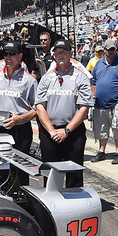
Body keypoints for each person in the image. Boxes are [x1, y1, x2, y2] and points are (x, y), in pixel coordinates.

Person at [35, 39, 94, 187]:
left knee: (74, 176)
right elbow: (40, 107)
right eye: (57, 52)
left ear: (71, 54)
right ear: (53, 55)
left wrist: (66, 130)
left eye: (64, 52)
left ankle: (75, 206)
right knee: (50, 176)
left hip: (73, 132)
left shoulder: (81, 77)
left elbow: (84, 108)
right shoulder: (46, 78)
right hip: (50, 132)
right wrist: (51, 130)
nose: (60, 55)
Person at [0, 40, 37, 157]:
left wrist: (19, 119)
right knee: (0, 168)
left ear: (20, 56)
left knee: (20, 171)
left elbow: (37, 109)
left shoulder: (30, 80)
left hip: (21, 129)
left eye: (12, 53)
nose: (8, 57)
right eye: (5, 54)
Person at [90, 38, 118, 163]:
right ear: (104, 50)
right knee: (101, 129)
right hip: (100, 103)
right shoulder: (99, 63)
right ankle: (101, 151)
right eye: (109, 50)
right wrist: (93, 96)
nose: (111, 52)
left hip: (116, 102)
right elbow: (93, 80)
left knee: (117, 129)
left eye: (113, 50)